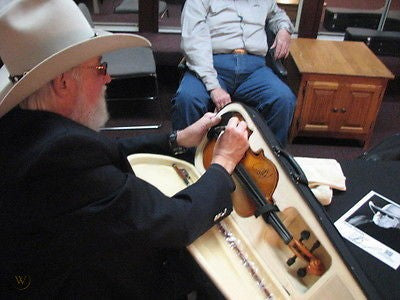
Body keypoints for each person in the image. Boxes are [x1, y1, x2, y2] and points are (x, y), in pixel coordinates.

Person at [0, 0, 249, 298]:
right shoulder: (64, 158)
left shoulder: (26, 127)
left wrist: (177, 138)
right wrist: (223, 162)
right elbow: (176, 221)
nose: (108, 78)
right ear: (63, 83)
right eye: (99, 67)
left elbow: (106, 150)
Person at [172, 0, 296, 148]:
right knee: (188, 98)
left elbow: (279, 15)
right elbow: (194, 44)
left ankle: (270, 160)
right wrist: (213, 87)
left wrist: (284, 30)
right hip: (211, 64)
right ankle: (185, 158)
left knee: (284, 99)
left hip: (254, 69)